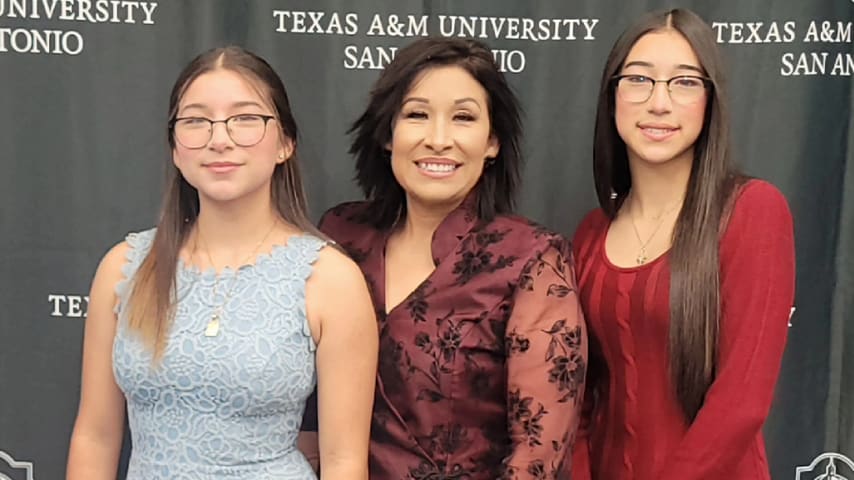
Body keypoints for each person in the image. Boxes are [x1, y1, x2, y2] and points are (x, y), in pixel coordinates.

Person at [66, 46, 378, 479]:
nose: (220, 139)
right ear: (176, 148)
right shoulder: (125, 268)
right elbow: (95, 436)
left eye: (246, 118)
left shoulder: (329, 279)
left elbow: (343, 460)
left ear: (285, 142)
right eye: (196, 121)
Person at [300, 37, 587, 479]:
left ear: (492, 141)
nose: (438, 139)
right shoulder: (341, 235)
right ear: (386, 134)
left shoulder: (532, 258)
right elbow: (303, 410)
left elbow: (539, 457)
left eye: (463, 118)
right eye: (417, 115)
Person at [570, 9, 796, 480]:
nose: (659, 103)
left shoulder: (752, 211)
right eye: (639, 79)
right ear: (612, 97)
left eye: (685, 82)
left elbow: (742, 401)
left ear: (710, 101)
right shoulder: (591, 235)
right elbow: (580, 398)